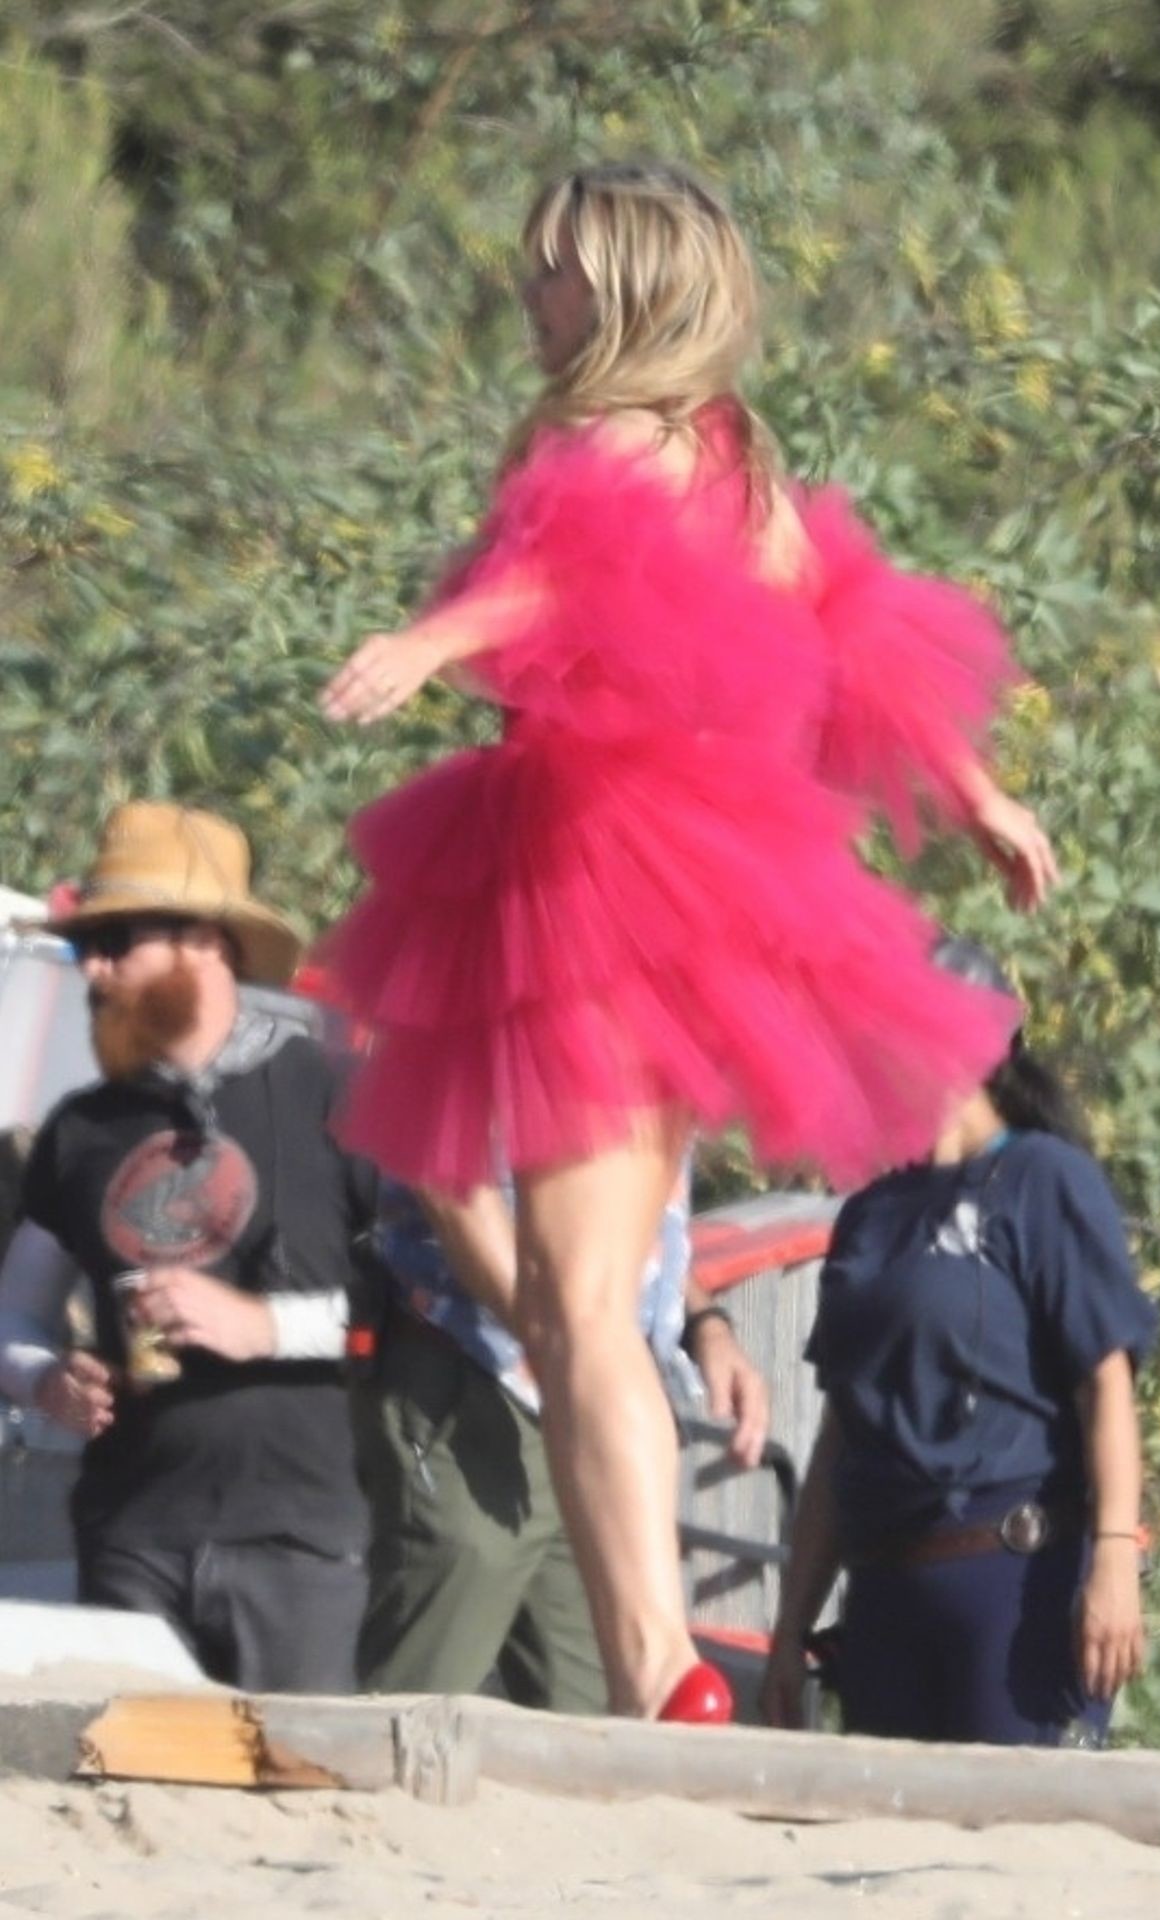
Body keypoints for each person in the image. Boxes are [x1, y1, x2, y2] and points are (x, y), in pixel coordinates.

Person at [319, 160, 1057, 1721]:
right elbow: (852, 631)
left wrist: (430, 634)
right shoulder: (732, 459)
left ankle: (660, 1666)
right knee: (587, 1299)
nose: (530, 295)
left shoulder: (610, 435)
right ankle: (653, 1662)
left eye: (554, 270)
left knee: (577, 1300)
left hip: (595, 871)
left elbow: (561, 581)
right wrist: (978, 791)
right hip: (701, 903)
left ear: (631, 286)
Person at [0, 803, 372, 1692]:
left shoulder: (336, 1097)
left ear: (204, 942)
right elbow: (16, 1311)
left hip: (297, 1541)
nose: (93, 968)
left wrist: (263, 1327)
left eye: (115, 941)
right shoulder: (81, 1127)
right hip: (129, 1537)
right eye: (84, 947)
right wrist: (43, 1378)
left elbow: (408, 1308)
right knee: (129, 1774)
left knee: (294, 1774)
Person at [761, 938, 1159, 1746]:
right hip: (884, 1595)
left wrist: (1115, 1558)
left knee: (1011, 1822)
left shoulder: (1043, 1178)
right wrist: (789, 1627)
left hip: (1009, 1587)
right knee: (881, 1827)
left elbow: (1105, 1382)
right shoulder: (870, 1215)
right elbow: (841, 1432)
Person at [352, 1172, 768, 1710]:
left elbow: (623, 1216)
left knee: (602, 1717)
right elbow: (447, 1177)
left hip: (600, 1407)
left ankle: (662, 1679)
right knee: (417, 1708)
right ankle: (666, 1676)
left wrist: (705, 1321)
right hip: (477, 1384)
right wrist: (566, 1346)